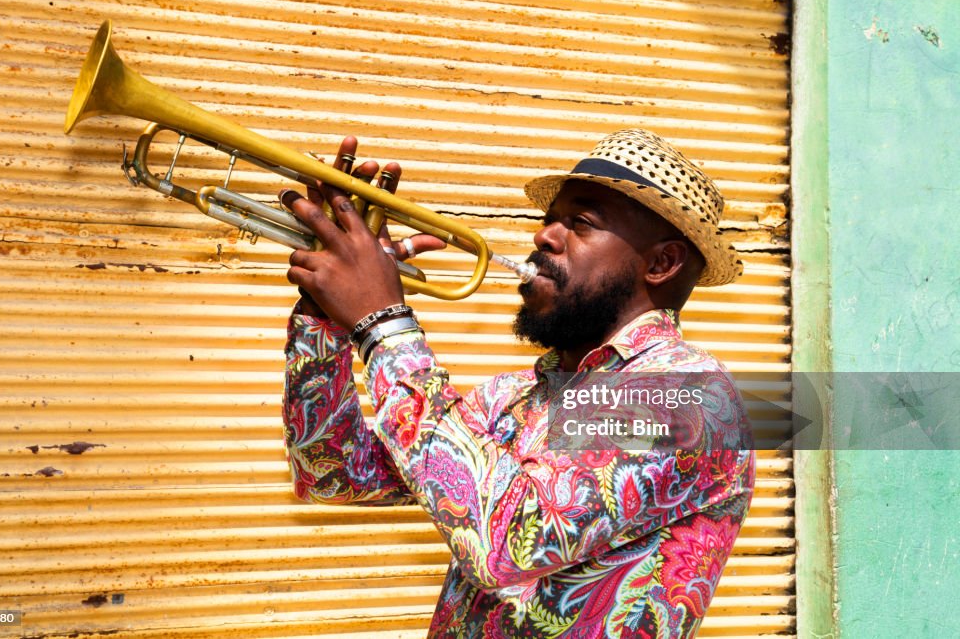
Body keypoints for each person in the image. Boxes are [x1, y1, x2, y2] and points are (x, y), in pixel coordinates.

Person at [280, 129, 755, 637]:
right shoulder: (513, 397)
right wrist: (327, 320)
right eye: (550, 218)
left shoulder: (690, 395)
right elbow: (336, 475)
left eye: (581, 223)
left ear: (661, 264)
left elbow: (509, 542)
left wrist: (383, 325)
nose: (544, 236)